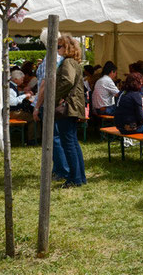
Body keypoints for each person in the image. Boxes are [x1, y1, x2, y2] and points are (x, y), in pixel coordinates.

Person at [53, 35, 87, 188]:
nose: (57, 49)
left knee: (69, 143)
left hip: (68, 107)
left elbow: (67, 81)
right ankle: (79, 177)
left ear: (67, 48)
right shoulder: (73, 62)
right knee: (72, 142)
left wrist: (55, 96)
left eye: (59, 46)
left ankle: (75, 178)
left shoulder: (67, 62)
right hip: (73, 106)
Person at [8, 70, 37, 145]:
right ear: (15, 79)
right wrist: (25, 95)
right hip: (12, 112)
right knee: (33, 118)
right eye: (21, 79)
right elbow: (13, 102)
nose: (23, 81)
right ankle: (32, 140)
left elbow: (14, 96)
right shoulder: (11, 88)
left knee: (30, 114)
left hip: (12, 111)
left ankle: (30, 137)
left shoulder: (12, 86)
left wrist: (23, 93)